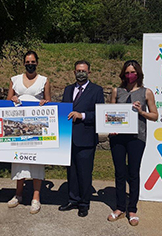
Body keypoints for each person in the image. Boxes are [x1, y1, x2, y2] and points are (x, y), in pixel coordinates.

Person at [107, 60, 158, 226]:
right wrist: (109, 126)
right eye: (127, 72)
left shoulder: (146, 92)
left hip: (137, 137)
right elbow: (108, 113)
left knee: (134, 172)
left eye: (133, 72)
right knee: (120, 172)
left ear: (138, 74)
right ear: (123, 74)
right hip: (118, 137)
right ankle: (119, 207)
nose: (130, 75)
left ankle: (132, 209)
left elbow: (155, 115)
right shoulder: (117, 91)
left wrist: (141, 111)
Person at [6, 50, 51, 214]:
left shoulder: (44, 81)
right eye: (27, 62)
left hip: (37, 128)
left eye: (33, 62)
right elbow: (6, 102)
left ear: (37, 63)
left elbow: (49, 103)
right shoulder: (14, 80)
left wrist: (45, 103)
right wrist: (13, 99)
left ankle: (36, 197)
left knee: (37, 161)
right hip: (18, 128)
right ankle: (18, 194)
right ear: (24, 63)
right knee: (18, 161)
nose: (30, 64)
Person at [59, 60, 105, 217]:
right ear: (74, 72)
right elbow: (61, 110)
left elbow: (100, 114)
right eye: (78, 70)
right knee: (71, 171)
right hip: (68, 138)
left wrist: (82, 115)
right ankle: (73, 199)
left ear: (89, 72)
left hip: (86, 137)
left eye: (83, 70)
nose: (80, 73)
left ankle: (84, 203)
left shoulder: (97, 90)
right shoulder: (68, 89)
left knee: (84, 172)